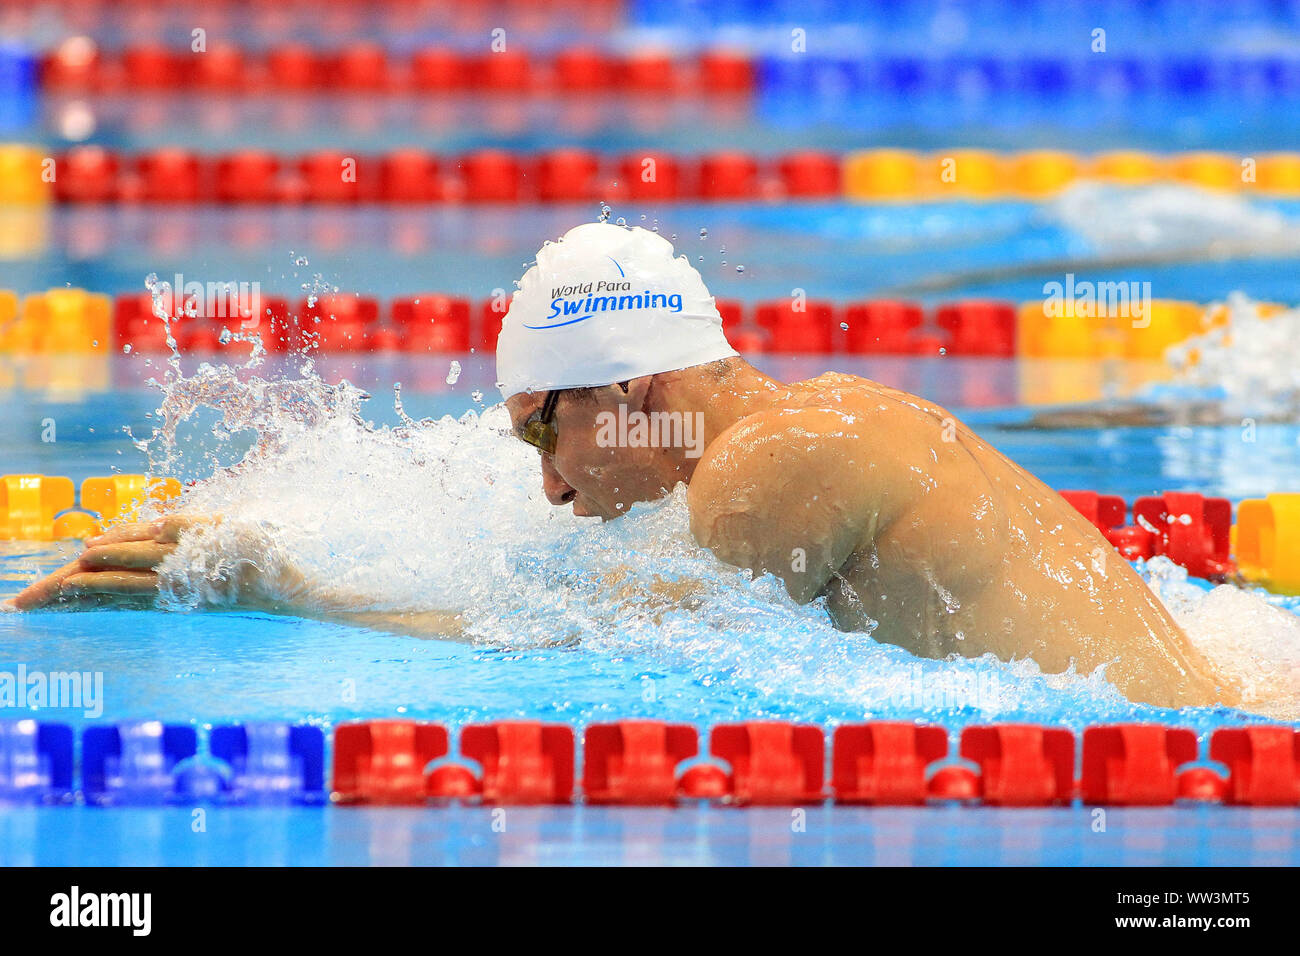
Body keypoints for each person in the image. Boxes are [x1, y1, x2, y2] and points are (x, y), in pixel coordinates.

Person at [5, 222, 1239, 711]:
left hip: (1188, 788)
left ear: (632, 392)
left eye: (543, 430)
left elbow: (610, 647)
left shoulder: (773, 462)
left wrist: (289, 593)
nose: (548, 484)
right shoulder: (807, 420)